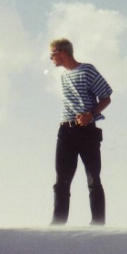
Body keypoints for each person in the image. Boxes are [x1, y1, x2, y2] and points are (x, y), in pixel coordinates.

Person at [49, 38, 113, 226]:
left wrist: (91, 115)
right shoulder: (62, 76)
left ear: (62, 52)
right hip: (65, 131)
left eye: (52, 54)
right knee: (62, 180)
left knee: (93, 178)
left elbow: (106, 96)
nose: (51, 58)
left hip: (86, 131)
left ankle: (98, 223)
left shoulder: (87, 70)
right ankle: (58, 224)